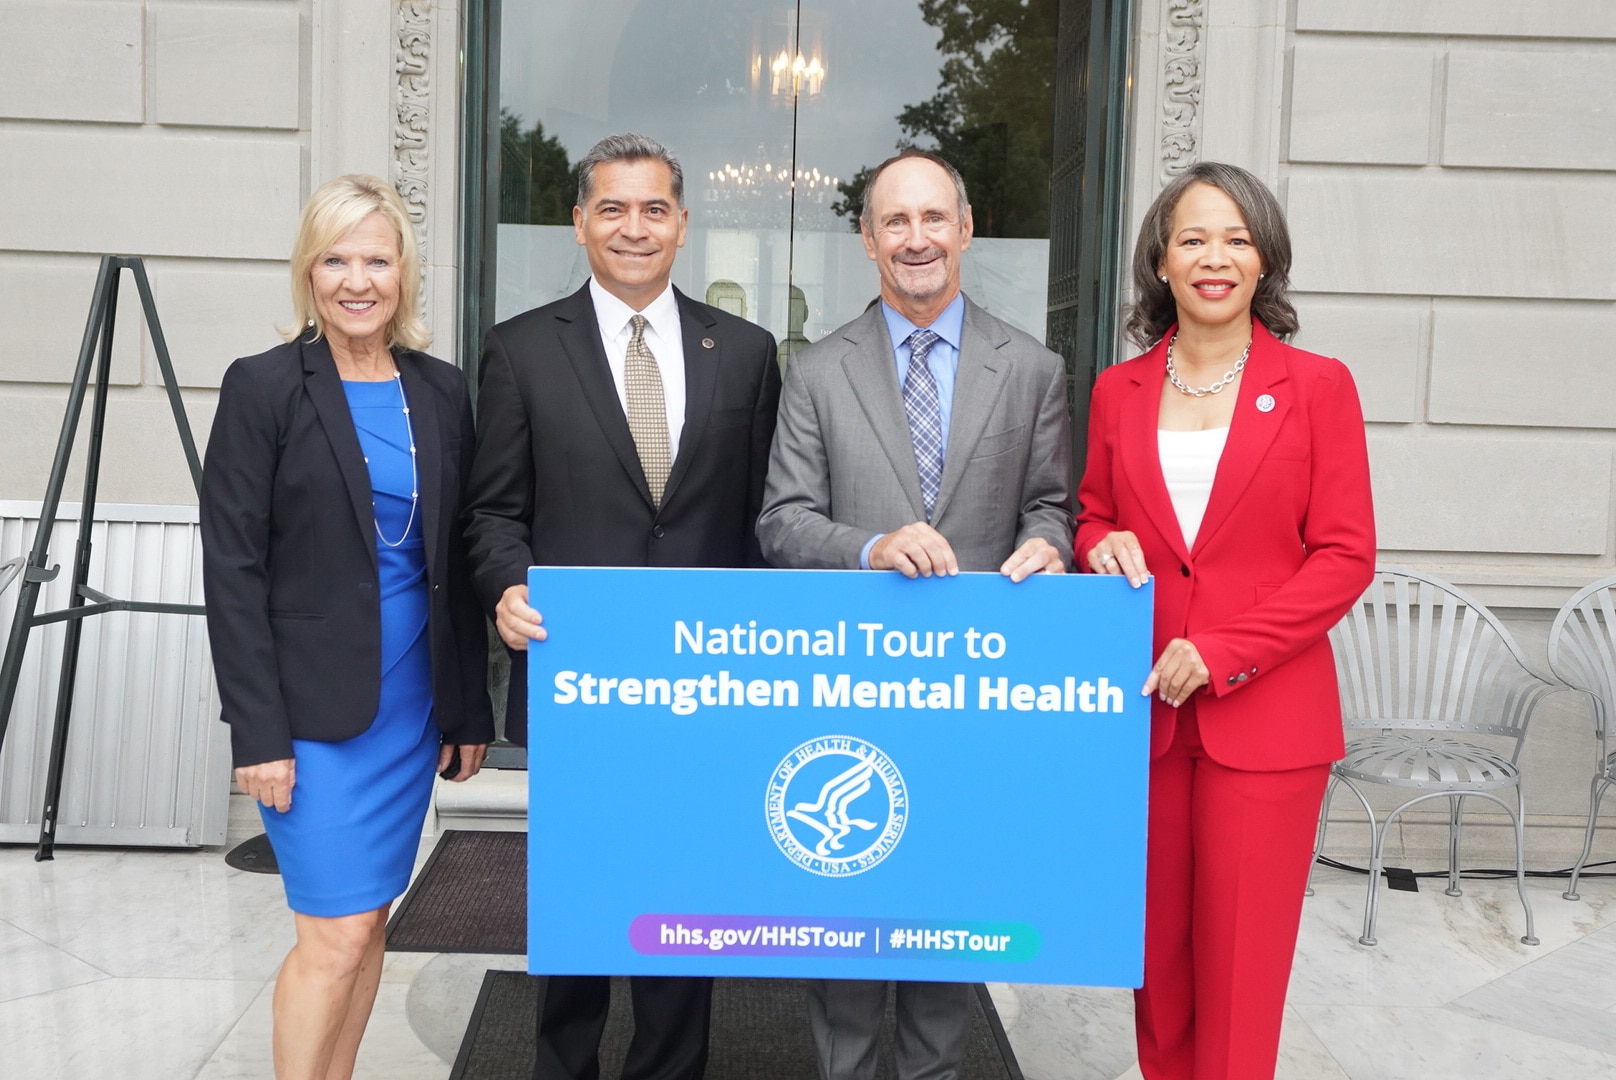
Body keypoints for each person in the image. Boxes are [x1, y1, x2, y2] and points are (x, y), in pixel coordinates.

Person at [461, 133, 782, 1080]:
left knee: (687, 906)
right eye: (612, 208)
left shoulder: (749, 353)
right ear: (579, 223)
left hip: (708, 684)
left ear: (682, 224)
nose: (632, 228)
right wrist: (505, 583)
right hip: (578, 679)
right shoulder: (521, 350)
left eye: (652, 209)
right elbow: (492, 510)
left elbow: (765, 519)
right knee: (581, 901)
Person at [756, 149, 1072, 1080]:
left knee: (947, 926)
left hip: (976, 695)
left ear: (967, 229)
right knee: (847, 931)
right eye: (895, 222)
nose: (917, 238)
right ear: (867, 241)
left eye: (933, 218)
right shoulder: (815, 371)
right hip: (852, 687)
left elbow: (1052, 503)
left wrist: (1050, 540)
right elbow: (780, 522)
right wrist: (870, 546)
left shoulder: (1035, 370)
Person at [1075, 161, 1376, 1080]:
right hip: (1146, 721)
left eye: (1238, 239)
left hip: (1266, 722)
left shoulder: (1319, 386)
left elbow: (1344, 556)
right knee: (1156, 973)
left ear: (1264, 261)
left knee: (1242, 979)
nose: (1216, 257)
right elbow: (1093, 512)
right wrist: (1099, 544)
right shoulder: (1116, 391)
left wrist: (1221, 652)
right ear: (1160, 262)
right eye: (1195, 238)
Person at [200, 174, 493, 1080]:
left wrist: (467, 708)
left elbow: (458, 556)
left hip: (408, 711)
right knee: (330, 936)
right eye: (336, 259)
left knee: (370, 926)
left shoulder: (441, 392)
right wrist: (259, 732)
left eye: (377, 258)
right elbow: (232, 570)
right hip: (310, 720)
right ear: (309, 271)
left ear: (404, 272)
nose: (357, 279)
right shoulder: (263, 388)